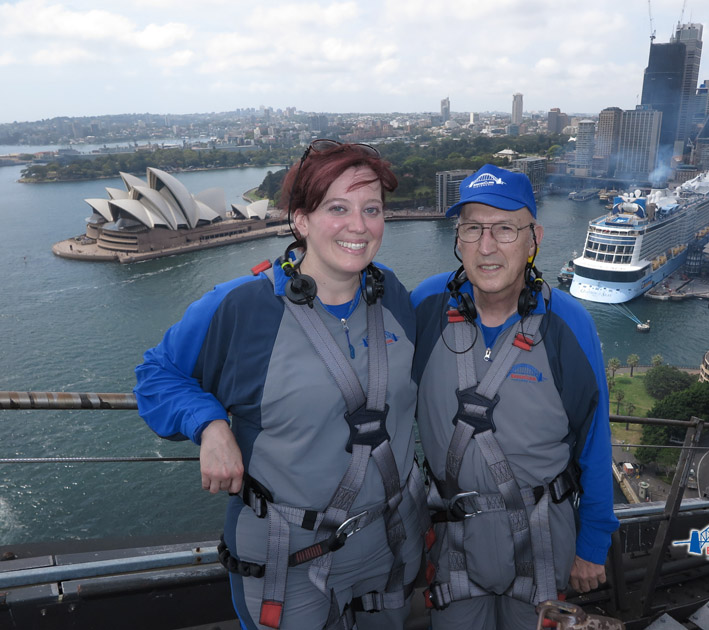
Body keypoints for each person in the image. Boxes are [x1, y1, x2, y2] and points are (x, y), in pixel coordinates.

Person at [135, 140, 425, 630]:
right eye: (338, 208)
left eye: (371, 209)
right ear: (301, 220)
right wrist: (209, 425)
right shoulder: (240, 307)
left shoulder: (393, 295)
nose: (359, 225)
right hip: (289, 558)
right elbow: (156, 375)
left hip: (390, 543)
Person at [411, 164, 619, 629]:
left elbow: (594, 438)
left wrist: (593, 544)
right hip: (453, 537)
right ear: (458, 239)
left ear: (534, 239)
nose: (487, 246)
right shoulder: (425, 308)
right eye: (472, 229)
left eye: (505, 229)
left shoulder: (568, 323)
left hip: (544, 537)